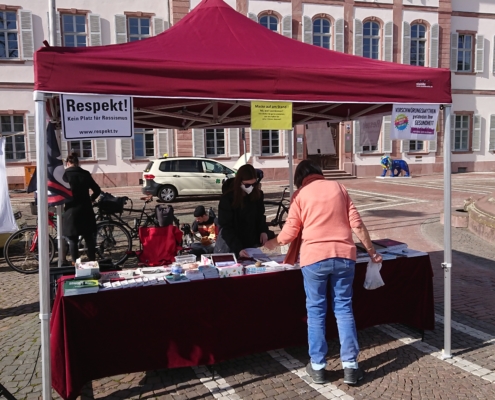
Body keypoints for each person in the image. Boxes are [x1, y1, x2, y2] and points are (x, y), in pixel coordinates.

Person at [264, 160, 383, 386]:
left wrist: (271, 243)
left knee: (316, 312)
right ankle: (350, 366)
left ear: (300, 178)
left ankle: (318, 367)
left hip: (314, 259)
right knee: (344, 309)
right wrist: (372, 252)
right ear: (320, 173)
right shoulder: (339, 187)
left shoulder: (300, 195)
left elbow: (289, 233)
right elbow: (357, 225)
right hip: (344, 257)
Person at [214, 164, 272, 258]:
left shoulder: (257, 195)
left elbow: (260, 215)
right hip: (230, 245)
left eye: (254, 184)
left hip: (250, 243)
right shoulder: (227, 199)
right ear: (239, 182)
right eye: (247, 185)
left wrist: (263, 231)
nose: (251, 187)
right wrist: (238, 248)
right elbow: (226, 227)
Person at [62, 153, 101, 263]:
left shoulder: (65, 175)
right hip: (86, 209)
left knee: (73, 239)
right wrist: (91, 199)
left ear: (67, 163)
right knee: (89, 238)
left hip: (71, 210)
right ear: (77, 162)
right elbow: (97, 190)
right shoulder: (85, 173)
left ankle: (75, 262)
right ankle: (92, 260)